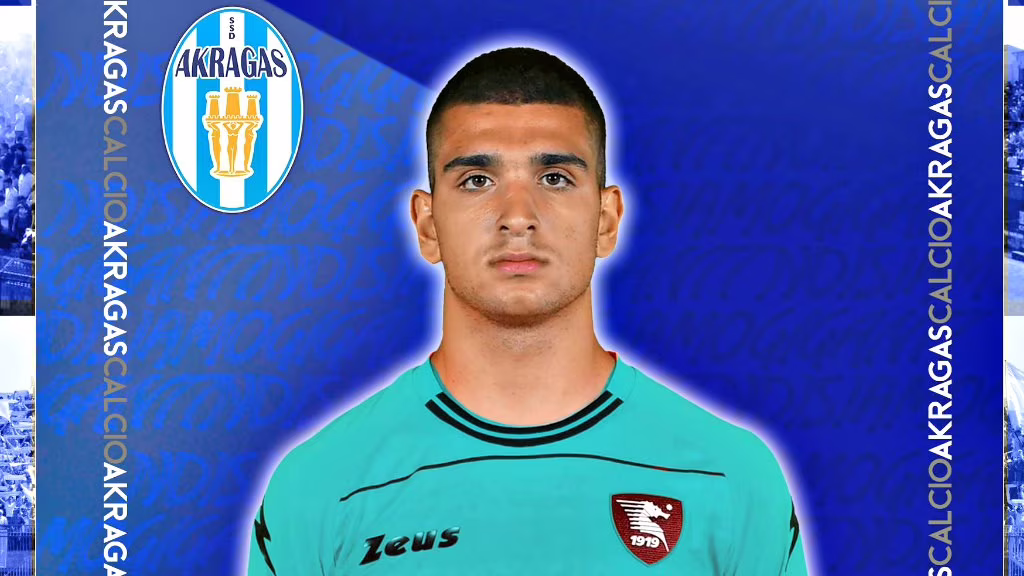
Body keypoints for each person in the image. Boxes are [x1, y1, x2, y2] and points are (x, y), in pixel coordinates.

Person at [248, 47, 808, 575]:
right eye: (477, 180)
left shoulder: (729, 477)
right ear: (427, 225)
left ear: (606, 220)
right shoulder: (322, 487)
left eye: (555, 178)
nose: (517, 215)